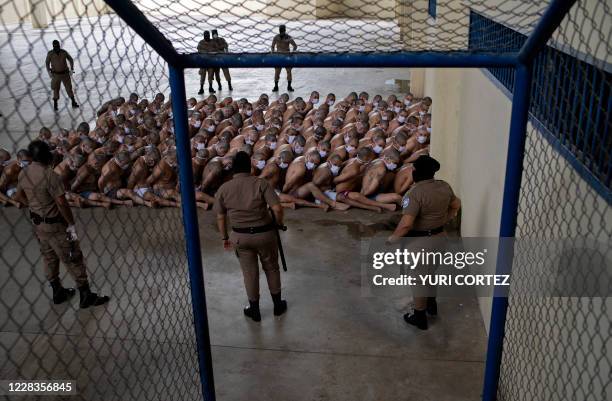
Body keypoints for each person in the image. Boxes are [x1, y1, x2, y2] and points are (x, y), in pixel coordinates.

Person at [13, 140, 109, 308]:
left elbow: (18, 197)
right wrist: (70, 224)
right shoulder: (50, 175)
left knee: (49, 257)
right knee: (72, 257)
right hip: (56, 224)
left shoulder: (24, 173)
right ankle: (85, 295)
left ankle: (57, 291)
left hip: (38, 224)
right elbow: (62, 203)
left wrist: (35, 207)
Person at [387, 155, 461, 330]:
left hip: (420, 242)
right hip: (440, 239)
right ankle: (431, 305)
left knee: (418, 279)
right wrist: (443, 220)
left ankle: (419, 316)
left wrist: (392, 239)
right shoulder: (444, 186)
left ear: (415, 172)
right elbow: (456, 205)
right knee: (430, 273)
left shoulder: (414, 193)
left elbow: (406, 225)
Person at [214, 151, 287, 322]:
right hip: (265, 234)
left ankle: (254, 310)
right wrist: (278, 223)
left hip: (240, 236)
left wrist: (225, 238)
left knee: (250, 273)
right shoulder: (261, 183)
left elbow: (220, 216)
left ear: (233, 169)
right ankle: (277, 305)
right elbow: (277, 208)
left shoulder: (224, 188)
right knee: (271, 267)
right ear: (250, 167)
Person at [45, 40, 79, 111]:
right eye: (55, 46)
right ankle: (55, 105)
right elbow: (47, 63)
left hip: (65, 74)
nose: (56, 47)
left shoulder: (63, 52)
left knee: (69, 88)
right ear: (53, 46)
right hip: (55, 74)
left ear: (59, 45)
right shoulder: (50, 53)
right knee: (55, 89)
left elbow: (71, 59)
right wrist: (49, 71)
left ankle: (73, 102)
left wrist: (72, 69)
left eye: (57, 46)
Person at [271, 25, 297, 92]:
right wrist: (273, 53)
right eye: (280, 30)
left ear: (285, 30)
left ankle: (289, 86)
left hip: (287, 57)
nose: (281, 31)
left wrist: (292, 53)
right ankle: (276, 86)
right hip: (278, 57)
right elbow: (272, 46)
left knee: (289, 72)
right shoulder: (276, 37)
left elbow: (295, 46)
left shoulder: (288, 37)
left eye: (282, 30)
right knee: (277, 72)